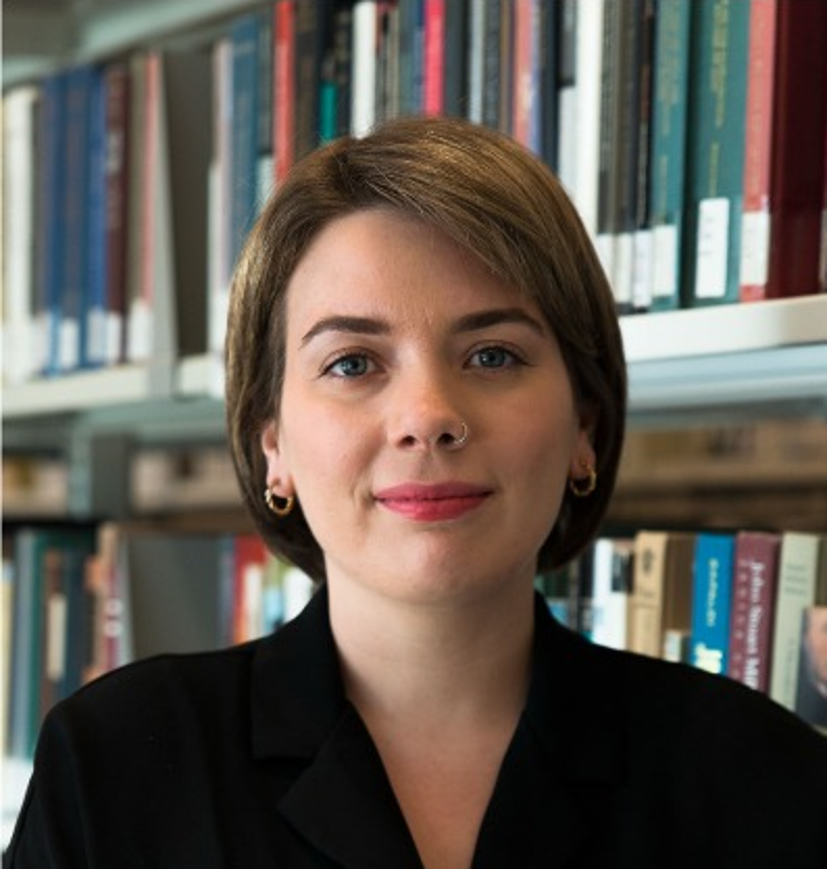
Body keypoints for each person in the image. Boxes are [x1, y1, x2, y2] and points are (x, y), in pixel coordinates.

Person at [5, 115, 827, 869]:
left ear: (585, 424)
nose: (428, 418)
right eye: (353, 363)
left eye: (493, 355)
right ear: (272, 446)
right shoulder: (119, 763)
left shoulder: (757, 774)